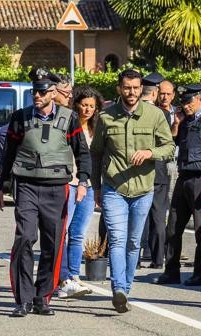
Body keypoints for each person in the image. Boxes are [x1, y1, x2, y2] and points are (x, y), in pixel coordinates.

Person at [0, 68, 91, 317]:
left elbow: (82, 153)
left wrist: (83, 183)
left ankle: (42, 297)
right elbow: (8, 155)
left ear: (53, 93)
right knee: (25, 238)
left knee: (53, 244)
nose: (37, 95)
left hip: (57, 188)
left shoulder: (69, 118)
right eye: (34, 91)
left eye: (42, 91)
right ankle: (22, 300)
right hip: (26, 186)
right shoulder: (19, 118)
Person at [91, 69, 174, 313]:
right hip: (114, 188)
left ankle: (125, 289)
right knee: (117, 238)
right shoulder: (106, 117)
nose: (132, 92)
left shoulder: (155, 115)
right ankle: (117, 289)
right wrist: (96, 186)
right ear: (119, 88)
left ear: (142, 89)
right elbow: (96, 154)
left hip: (143, 188)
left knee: (133, 241)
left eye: (136, 88)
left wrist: (151, 153)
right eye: (127, 87)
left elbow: (169, 147)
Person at [156, 84, 201, 286]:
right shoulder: (184, 120)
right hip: (184, 175)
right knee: (173, 226)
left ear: (199, 99)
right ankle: (171, 271)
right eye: (183, 102)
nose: (186, 106)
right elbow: (172, 141)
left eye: (189, 102)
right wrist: (177, 123)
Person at [56, 85, 104, 299]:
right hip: (69, 182)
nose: (87, 110)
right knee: (63, 231)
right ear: (76, 105)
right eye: (84, 105)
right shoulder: (68, 124)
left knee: (78, 233)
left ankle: (74, 275)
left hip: (89, 185)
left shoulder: (97, 128)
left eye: (92, 106)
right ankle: (61, 277)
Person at [139, 72, 171, 270]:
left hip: (138, 170)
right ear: (155, 92)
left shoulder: (132, 110)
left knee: (138, 214)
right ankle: (158, 258)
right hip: (158, 169)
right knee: (159, 214)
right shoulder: (163, 114)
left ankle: (135, 257)